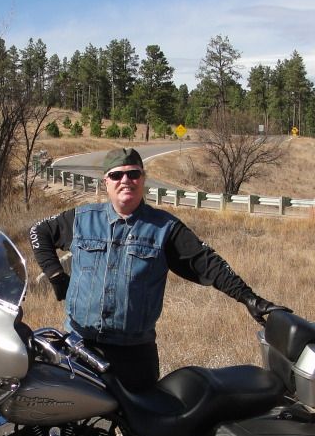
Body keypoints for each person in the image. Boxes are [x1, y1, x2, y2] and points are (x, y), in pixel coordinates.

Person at [29, 147, 287, 391]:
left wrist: (249, 298)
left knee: (143, 422)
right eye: (117, 175)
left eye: (133, 174)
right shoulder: (81, 219)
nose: (125, 180)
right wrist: (56, 276)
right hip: (79, 347)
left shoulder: (165, 228)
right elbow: (38, 232)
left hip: (134, 357)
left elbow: (208, 263)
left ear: (143, 179)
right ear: (106, 182)